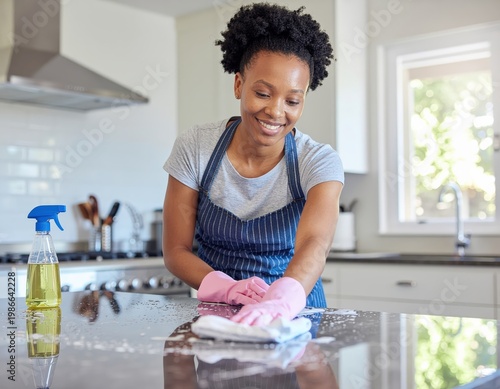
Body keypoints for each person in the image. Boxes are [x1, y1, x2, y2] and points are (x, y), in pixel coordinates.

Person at [162, 3, 344, 326]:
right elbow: (176, 250)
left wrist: (282, 301)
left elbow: (316, 243)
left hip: (294, 318)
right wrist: (227, 289)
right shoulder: (196, 148)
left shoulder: (317, 161)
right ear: (238, 85)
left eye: (292, 101)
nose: (275, 112)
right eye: (262, 93)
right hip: (219, 317)